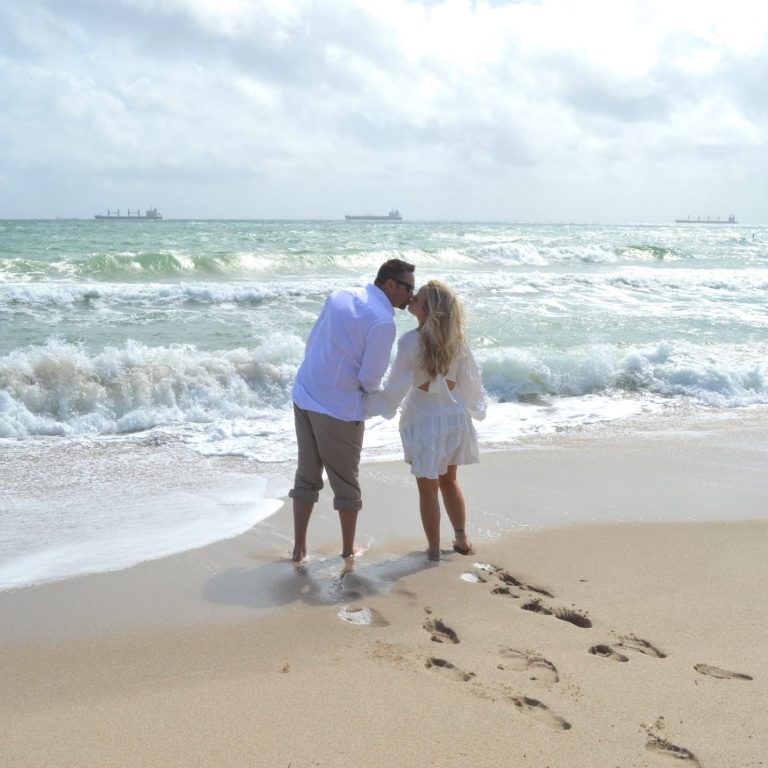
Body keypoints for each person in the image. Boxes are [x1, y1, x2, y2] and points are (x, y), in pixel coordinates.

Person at [289, 258, 416, 563]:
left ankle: (299, 548)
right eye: (409, 288)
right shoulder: (383, 322)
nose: (411, 295)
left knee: (306, 475)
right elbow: (369, 379)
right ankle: (347, 549)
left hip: (305, 392)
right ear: (390, 284)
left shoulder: (340, 295)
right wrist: (379, 400)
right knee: (346, 483)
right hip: (339, 408)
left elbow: (313, 341)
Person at [365, 280, 486, 560]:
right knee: (449, 481)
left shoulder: (409, 341)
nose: (411, 298)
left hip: (424, 419)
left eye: (417, 298)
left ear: (428, 310)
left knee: (428, 488)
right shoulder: (456, 339)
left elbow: (396, 385)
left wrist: (372, 403)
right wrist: (476, 408)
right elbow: (471, 380)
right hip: (454, 417)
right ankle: (461, 538)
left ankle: (433, 549)